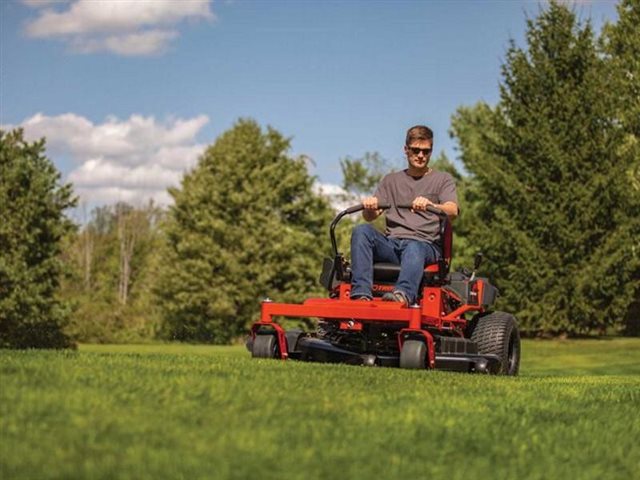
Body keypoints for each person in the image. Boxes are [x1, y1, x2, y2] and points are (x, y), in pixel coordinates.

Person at [349, 125, 459, 305]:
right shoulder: (391, 180)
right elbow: (370, 216)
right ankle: (361, 295)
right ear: (406, 150)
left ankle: (403, 295)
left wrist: (431, 205)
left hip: (425, 245)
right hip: (392, 244)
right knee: (362, 231)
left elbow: (452, 211)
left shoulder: (442, 179)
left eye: (426, 151)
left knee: (414, 246)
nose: (421, 155)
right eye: (416, 150)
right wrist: (369, 207)